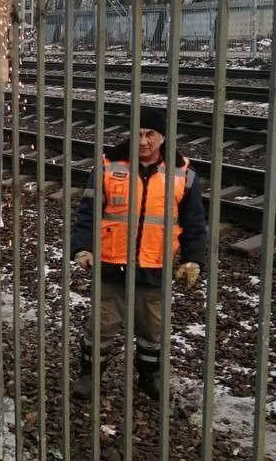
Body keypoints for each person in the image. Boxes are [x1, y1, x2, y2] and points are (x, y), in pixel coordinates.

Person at [69, 108, 207, 401]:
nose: (143, 141)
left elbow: (195, 222)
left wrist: (192, 259)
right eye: (138, 134)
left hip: (155, 266)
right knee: (101, 327)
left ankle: (149, 376)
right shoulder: (107, 167)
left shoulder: (184, 174)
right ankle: (89, 376)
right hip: (111, 263)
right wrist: (82, 247)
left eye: (150, 134)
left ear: (163, 137)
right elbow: (87, 213)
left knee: (153, 331)